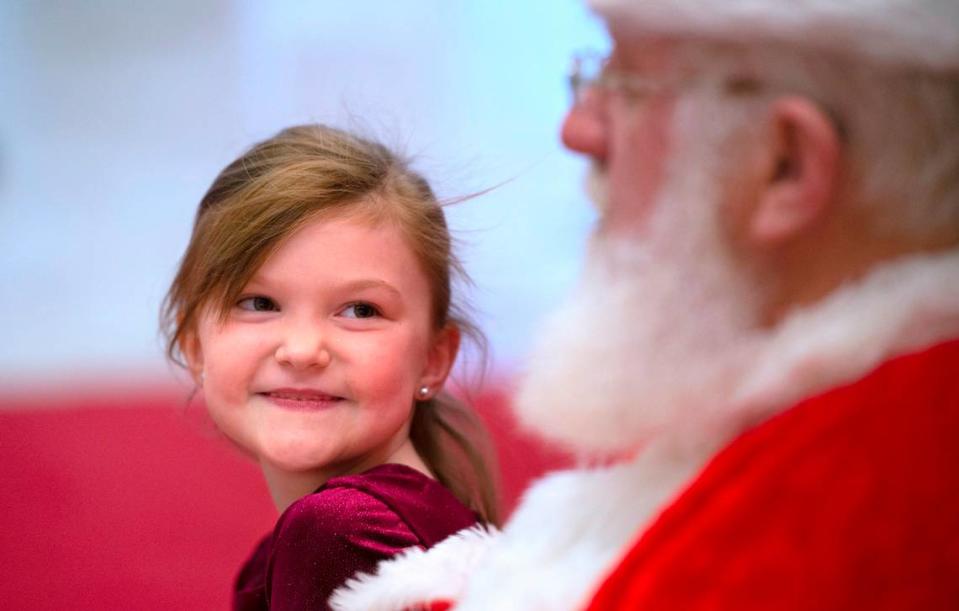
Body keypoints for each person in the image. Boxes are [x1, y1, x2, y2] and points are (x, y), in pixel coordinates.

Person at [330, 0, 959, 609]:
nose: (577, 129)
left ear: (784, 166)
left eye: (626, 86)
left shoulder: (856, 504)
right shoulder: (790, 435)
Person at [161, 124, 500, 610]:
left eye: (360, 310)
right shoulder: (397, 526)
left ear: (433, 359)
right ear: (195, 346)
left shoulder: (341, 532)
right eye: (259, 302)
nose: (301, 350)